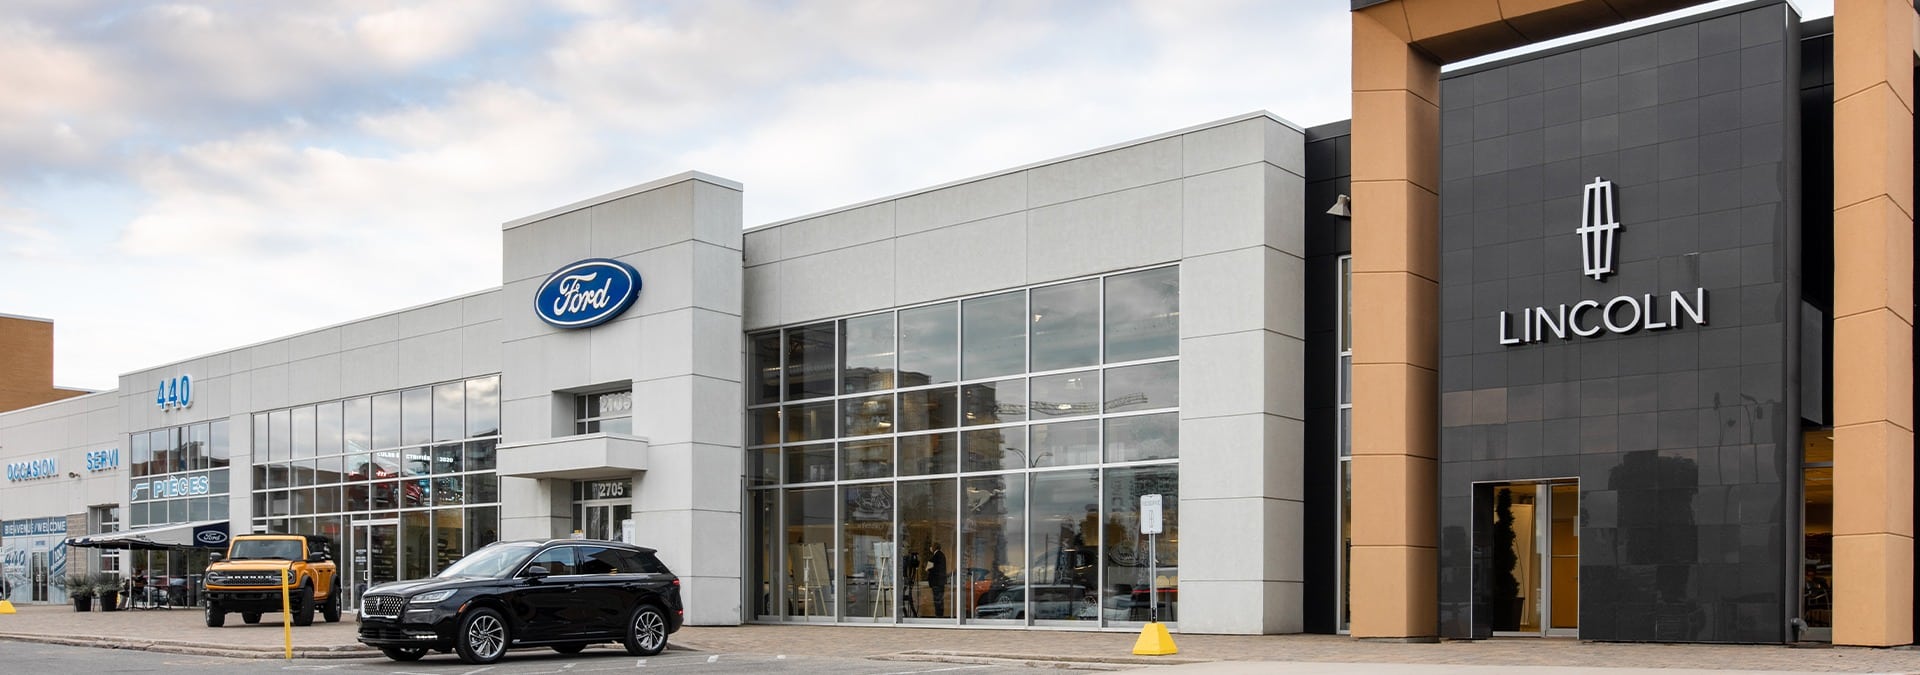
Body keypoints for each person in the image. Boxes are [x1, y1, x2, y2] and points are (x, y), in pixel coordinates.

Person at [926, 542, 948, 617]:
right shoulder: (942, 555)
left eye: (931, 547)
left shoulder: (935, 556)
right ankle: (940, 614)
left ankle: (938, 615)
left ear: (934, 547)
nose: (930, 548)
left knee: (937, 600)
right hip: (941, 582)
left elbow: (929, 568)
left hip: (936, 582)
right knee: (940, 600)